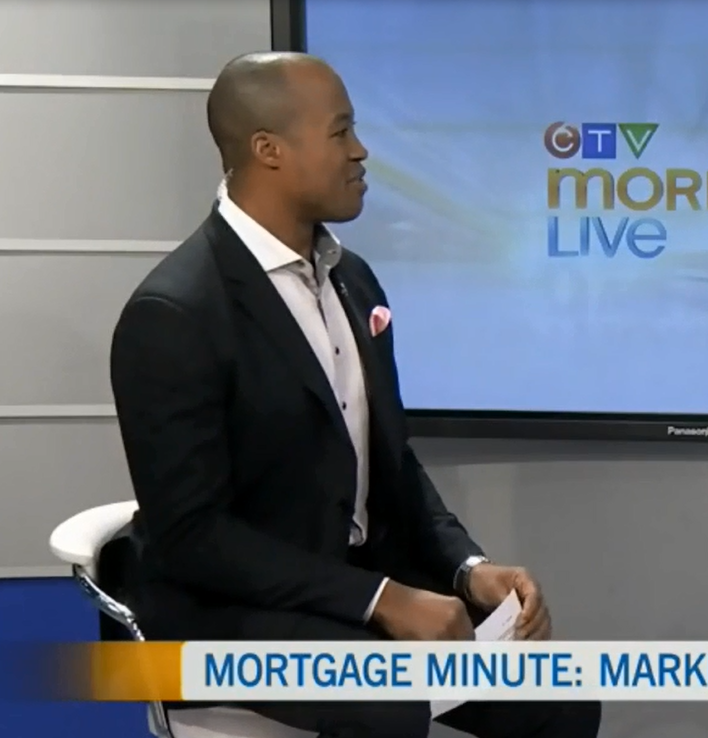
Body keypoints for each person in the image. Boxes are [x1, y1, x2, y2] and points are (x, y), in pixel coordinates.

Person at [109, 51, 601, 738]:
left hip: (351, 585)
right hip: (225, 610)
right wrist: (382, 599)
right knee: (386, 705)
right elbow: (194, 537)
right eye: (341, 131)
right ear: (269, 150)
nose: (361, 151)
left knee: (559, 694)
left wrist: (467, 569)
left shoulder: (354, 280)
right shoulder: (175, 313)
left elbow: (392, 462)